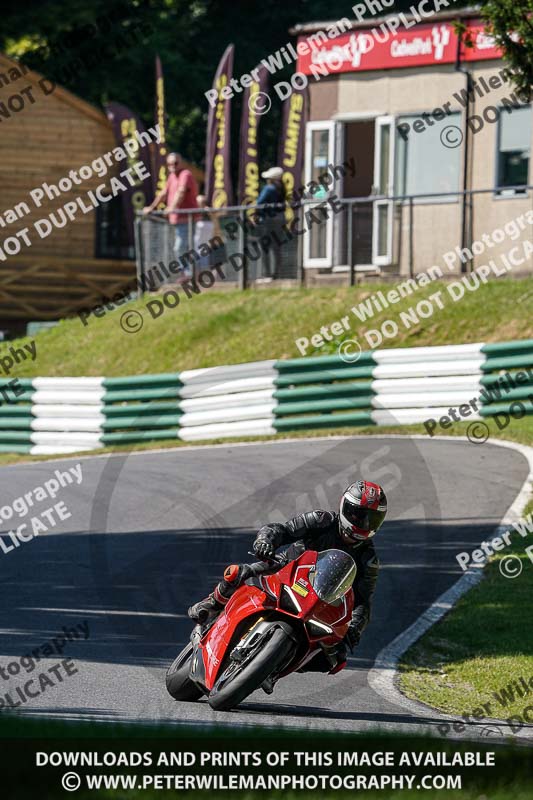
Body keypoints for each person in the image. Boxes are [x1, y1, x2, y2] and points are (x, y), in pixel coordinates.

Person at [189, 479, 386, 674]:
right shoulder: (321, 520)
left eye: (373, 519)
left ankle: (277, 664)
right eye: (360, 516)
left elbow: (362, 601)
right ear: (346, 508)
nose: (365, 523)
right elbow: (282, 530)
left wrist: (355, 629)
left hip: (320, 602)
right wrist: (265, 541)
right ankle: (212, 604)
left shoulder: (368, 559)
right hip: (285, 569)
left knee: (335, 657)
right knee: (240, 573)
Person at [143, 152, 198, 277]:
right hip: (176, 220)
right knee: (181, 247)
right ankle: (189, 274)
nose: (172, 166)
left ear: (181, 163)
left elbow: (181, 192)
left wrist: (171, 208)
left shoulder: (185, 174)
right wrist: (151, 207)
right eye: (169, 164)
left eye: (175, 163)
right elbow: (163, 193)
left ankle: (190, 274)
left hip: (188, 218)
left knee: (181, 247)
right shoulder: (172, 176)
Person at [255, 166, 286, 280]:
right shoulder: (282, 188)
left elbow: (259, 202)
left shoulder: (269, 188)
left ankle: (266, 273)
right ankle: (277, 273)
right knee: (276, 247)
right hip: (280, 219)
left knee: (264, 247)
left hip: (268, 220)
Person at [194, 195, 214, 269]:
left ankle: (204, 272)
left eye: (202, 202)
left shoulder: (207, 210)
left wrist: (209, 212)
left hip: (206, 242)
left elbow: (214, 221)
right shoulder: (195, 211)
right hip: (197, 243)